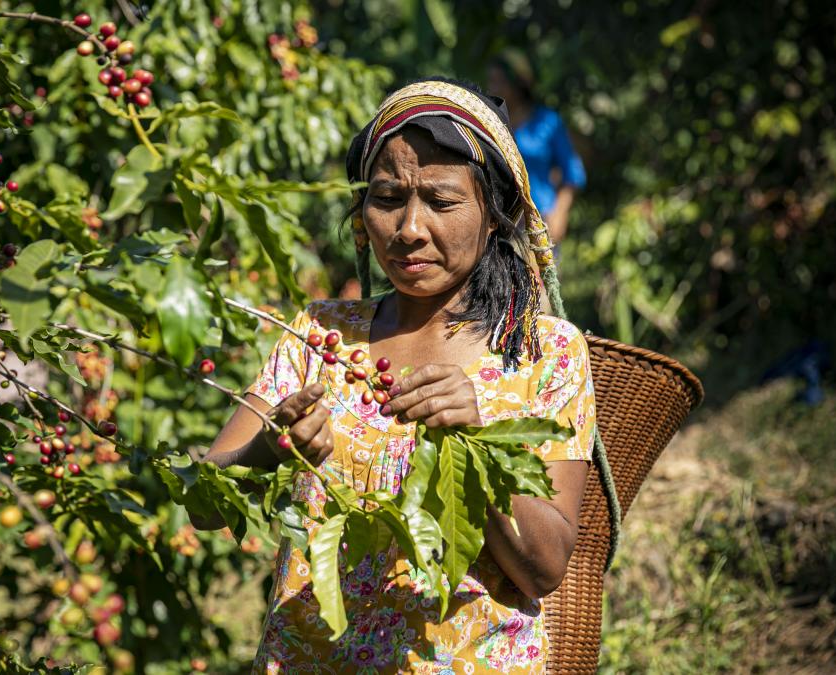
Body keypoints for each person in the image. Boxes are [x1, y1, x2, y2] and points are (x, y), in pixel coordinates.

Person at [195, 77, 597, 673]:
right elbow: (204, 501)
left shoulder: (544, 353)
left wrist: (478, 446)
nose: (409, 228)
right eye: (387, 198)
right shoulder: (322, 337)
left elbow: (544, 568)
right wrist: (268, 449)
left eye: (441, 201)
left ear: (495, 215)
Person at [488, 50, 586, 245]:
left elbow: (573, 172)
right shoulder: (490, 123)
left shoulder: (546, 123)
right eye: (491, 81)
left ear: (517, 84)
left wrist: (560, 213)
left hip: (539, 223)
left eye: (500, 81)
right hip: (498, 223)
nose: (493, 88)